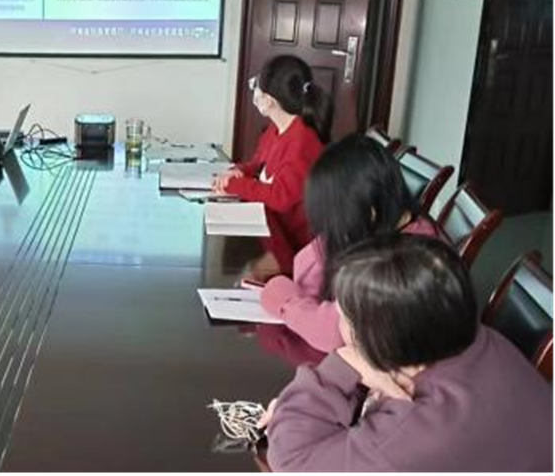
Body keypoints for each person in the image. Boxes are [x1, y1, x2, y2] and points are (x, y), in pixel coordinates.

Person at [262, 235, 555, 473]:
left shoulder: (405, 433)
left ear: (378, 339)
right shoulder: (474, 336)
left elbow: (291, 461)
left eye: (344, 316)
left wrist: (342, 367)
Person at [259, 135, 439, 352]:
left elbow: (333, 333)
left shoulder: (405, 261)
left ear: (370, 212)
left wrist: (285, 302)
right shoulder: (383, 228)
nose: (328, 228)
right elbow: (305, 275)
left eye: (333, 218)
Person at [214, 55, 332, 279]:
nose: (254, 92)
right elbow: (258, 163)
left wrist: (236, 186)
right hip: (272, 227)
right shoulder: (277, 129)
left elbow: (280, 197)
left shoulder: (302, 143)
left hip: (295, 247)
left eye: (256, 86)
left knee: (239, 276)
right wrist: (240, 172)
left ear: (269, 100)